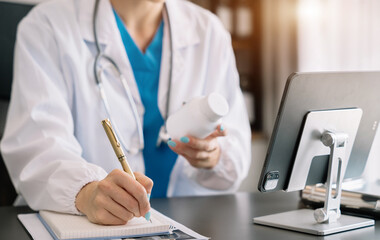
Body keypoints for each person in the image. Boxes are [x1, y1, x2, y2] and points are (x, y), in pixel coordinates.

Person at [0, 0, 251, 225]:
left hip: (189, 223)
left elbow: (236, 149)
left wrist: (213, 156)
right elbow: (38, 146)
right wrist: (86, 192)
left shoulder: (209, 31)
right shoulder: (47, 26)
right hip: (88, 228)